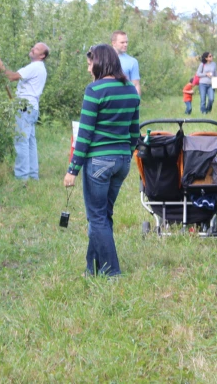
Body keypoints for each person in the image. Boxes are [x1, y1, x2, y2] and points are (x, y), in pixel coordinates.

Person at [63, 44, 140, 277]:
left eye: (90, 64)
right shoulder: (130, 91)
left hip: (98, 162)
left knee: (96, 217)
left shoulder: (95, 90)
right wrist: (126, 152)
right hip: (122, 161)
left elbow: (84, 134)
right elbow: (134, 131)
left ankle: (112, 272)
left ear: (100, 63)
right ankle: (92, 268)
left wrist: (72, 170)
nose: (88, 69)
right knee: (103, 215)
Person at [0, 42, 49, 180]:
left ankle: (21, 176)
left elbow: (11, 77)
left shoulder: (35, 67)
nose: (32, 49)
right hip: (32, 107)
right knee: (30, 141)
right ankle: (32, 174)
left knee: (21, 140)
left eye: (36, 49)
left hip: (25, 107)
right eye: (33, 47)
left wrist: (0, 65)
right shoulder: (40, 68)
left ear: (42, 55)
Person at [111, 31, 141, 96]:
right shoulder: (104, 59)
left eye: (126, 42)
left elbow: (136, 84)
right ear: (114, 43)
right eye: (122, 42)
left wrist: (136, 102)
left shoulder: (132, 62)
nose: (125, 45)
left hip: (125, 100)